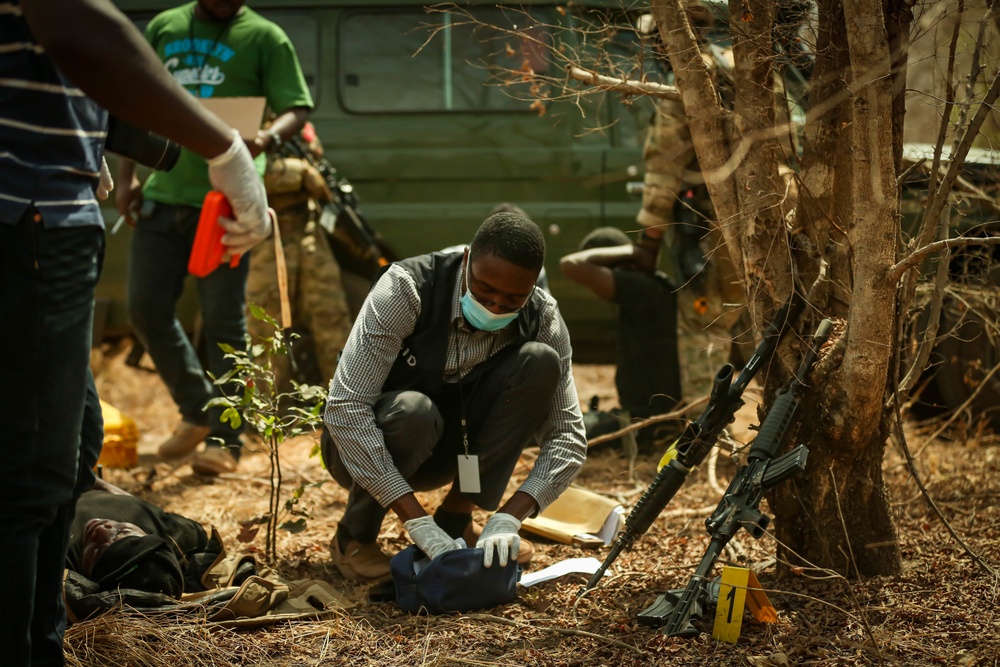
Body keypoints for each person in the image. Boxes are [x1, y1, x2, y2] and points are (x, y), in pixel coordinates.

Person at [0, 0, 270, 663]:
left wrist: (107, 134)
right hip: (30, 215)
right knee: (33, 470)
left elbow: (66, 65)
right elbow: (75, 29)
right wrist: (223, 145)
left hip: (44, 210)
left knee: (71, 447)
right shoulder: (154, 24)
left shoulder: (260, 36)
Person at [322, 212, 587, 583]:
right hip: (372, 444)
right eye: (484, 290)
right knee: (414, 411)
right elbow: (346, 408)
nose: (495, 306)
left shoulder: (542, 316)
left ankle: (456, 519)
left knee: (540, 361)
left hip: (451, 451)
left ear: (533, 286)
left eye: (513, 298)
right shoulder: (406, 289)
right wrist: (416, 520)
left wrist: (510, 516)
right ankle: (355, 534)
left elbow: (568, 437)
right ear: (466, 261)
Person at [115, 0, 314, 476]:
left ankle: (226, 442)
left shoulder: (266, 37)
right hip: (164, 194)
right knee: (145, 309)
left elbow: (296, 106)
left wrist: (264, 139)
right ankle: (198, 409)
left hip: (226, 206)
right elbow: (132, 102)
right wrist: (126, 178)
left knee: (224, 324)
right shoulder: (165, 27)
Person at [245, 123, 353, 392]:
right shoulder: (250, 118)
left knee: (333, 319)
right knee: (264, 329)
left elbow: (315, 156)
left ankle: (345, 405)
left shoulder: (299, 128)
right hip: (267, 237)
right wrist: (299, 172)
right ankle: (264, 417)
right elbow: (242, 170)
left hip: (308, 234)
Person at [559, 227, 682, 445]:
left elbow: (571, 265)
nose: (596, 292)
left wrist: (636, 252)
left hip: (650, 424)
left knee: (559, 433)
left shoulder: (643, 289)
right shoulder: (649, 289)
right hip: (646, 419)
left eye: (597, 279)